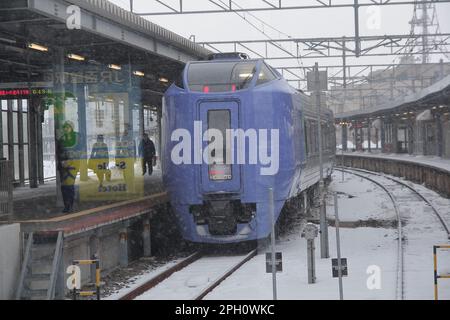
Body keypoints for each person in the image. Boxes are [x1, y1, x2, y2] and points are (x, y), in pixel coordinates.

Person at [56, 121, 81, 213]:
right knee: (64, 186)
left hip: (74, 164)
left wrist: (73, 159)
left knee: (69, 184)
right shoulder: (62, 139)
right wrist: (62, 162)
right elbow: (59, 153)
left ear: (72, 128)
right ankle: (67, 204)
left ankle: (69, 204)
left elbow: (81, 150)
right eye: (65, 127)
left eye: (68, 127)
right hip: (64, 165)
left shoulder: (78, 138)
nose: (66, 129)